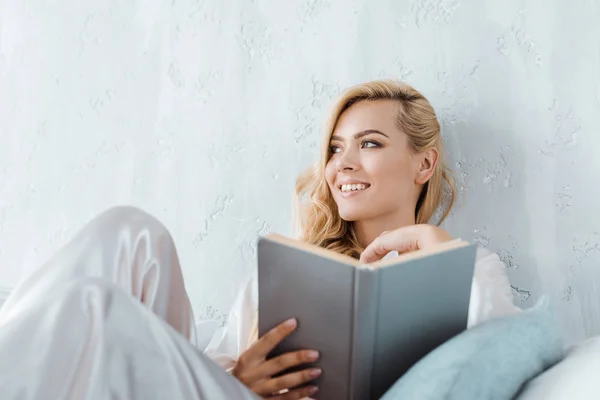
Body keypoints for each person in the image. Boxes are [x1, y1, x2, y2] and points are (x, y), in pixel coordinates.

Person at [0, 79, 520, 400]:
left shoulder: (468, 268)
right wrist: (238, 376)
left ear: (424, 164)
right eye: (336, 149)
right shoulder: (288, 270)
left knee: (88, 305)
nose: (343, 164)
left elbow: (502, 354)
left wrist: (436, 243)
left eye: (370, 143)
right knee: (130, 232)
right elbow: (217, 358)